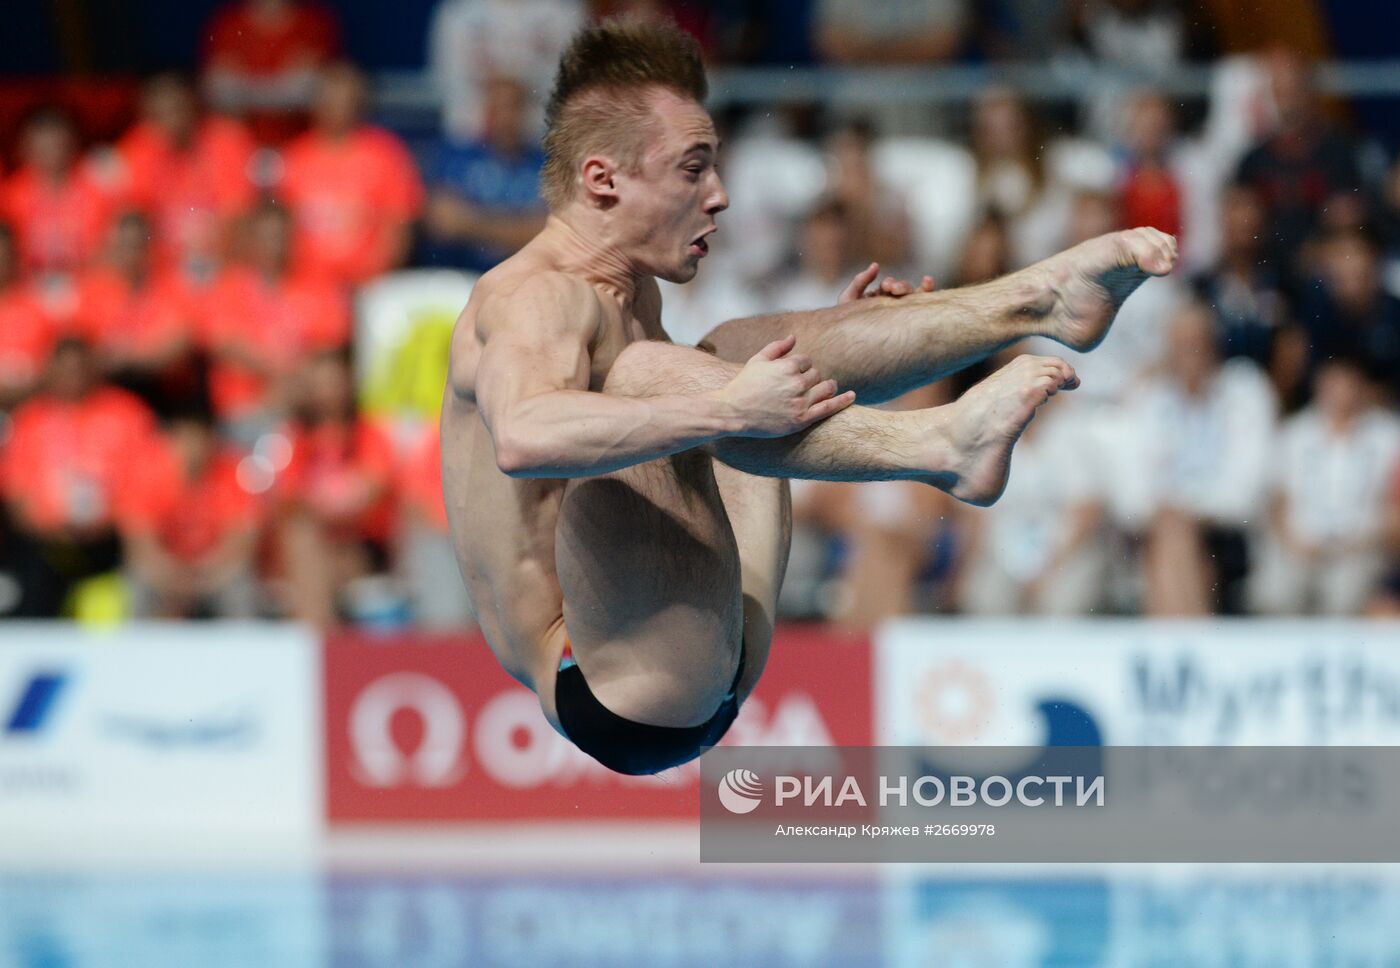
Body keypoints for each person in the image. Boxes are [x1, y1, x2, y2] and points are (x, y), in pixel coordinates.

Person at [441, 19, 1177, 775]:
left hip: (711, 638)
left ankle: (1040, 304)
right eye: (693, 170)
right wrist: (730, 409)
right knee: (656, 376)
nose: (719, 197)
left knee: (739, 352)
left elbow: (721, 396)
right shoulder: (535, 297)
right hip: (611, 687)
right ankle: (937, 447)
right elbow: (523, 437)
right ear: (603, 181)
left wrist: (846, 336)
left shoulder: (625, 290)